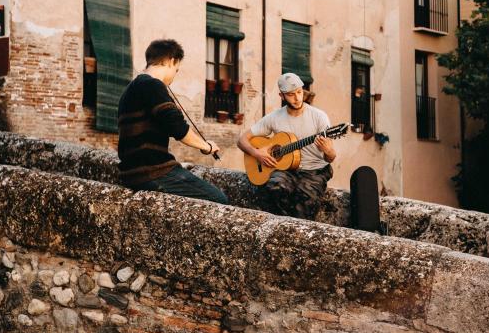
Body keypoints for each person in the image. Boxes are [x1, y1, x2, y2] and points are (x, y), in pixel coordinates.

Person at [117, 39, 228, 204]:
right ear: (171, 61)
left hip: (130, 173)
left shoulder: (131, 88)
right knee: (219, 200)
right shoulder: (153, 86)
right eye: (177, 70)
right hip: (152, 172)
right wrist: (207, 147)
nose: (175, 75)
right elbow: (178, 129)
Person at [237, 73, 336, 220]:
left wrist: (328, 151)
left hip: (314, 171)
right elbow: (242, 140)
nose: (297, 98)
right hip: (287, 169)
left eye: (299, 92)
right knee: (274, 188)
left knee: (305, 202)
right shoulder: (275, 117)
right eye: (291, 94)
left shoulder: (319, 117)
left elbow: (331, 157)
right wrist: (257, 154)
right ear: (281, 96)